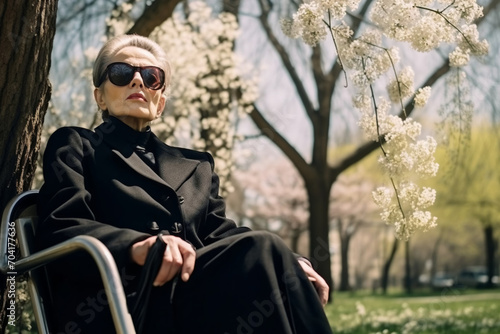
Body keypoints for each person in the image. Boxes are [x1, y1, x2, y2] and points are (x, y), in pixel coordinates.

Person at [37, 34, 333, 334]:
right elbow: (60, 226)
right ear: (100, 96)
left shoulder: (196, 166)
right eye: (122, 73)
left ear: (160, 102)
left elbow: (220, 235)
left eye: (151, 77)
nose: (138, 82)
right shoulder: (77, 145)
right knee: (264, 247)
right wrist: (138, 245)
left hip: (193, 296)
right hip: (123, 305)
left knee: (276, 256)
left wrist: (289, 261)